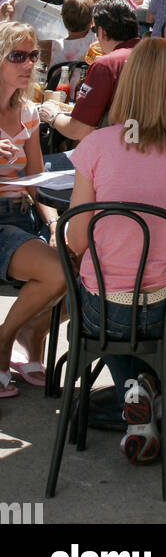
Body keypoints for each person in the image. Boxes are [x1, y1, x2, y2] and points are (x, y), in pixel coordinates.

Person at [66, 39, 166, 461]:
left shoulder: (96, 146)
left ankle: (137, 402)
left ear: (128, 85)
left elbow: (77, 240)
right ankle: (150, 392)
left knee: (103, 306)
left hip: (107, 311)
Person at [0, 22, 65, 395]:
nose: (28, 64)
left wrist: (55, 224)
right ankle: (5, 339)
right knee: (57, 272)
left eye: (33, 56)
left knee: (88, 268)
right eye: (18, 56)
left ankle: (32, 332)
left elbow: (38, 180)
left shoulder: (26, 112)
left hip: (24, 214)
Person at [38, 0, 140, 143]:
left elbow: (79, 129)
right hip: (165, 151)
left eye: (94, 30)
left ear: (101, 32)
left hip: (121, 151)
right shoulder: (162, 56)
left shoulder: (107, 64)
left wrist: (52, 116)